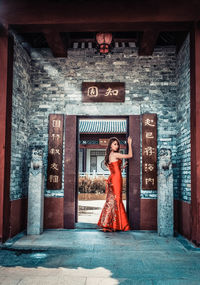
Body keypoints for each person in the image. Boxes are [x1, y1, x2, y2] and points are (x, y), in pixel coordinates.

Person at [97, 136, 133, 232]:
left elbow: (114, 169)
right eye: (115, 144)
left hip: (112, 178)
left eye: (117, 144)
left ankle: (108, 223)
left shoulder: (110, 155)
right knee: (117, 200)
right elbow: (130, 155)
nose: (117, 146)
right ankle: (119, 225)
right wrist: (129, 143)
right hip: (116, 179)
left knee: (112, 200)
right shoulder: (115, 154)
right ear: (110, 146)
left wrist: (121, 168)